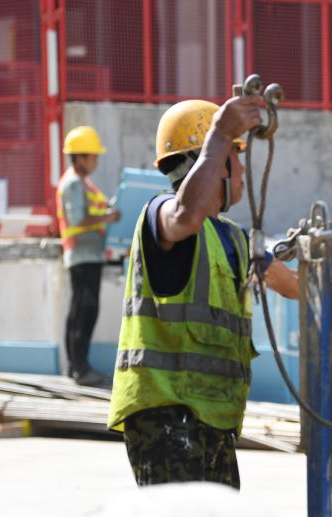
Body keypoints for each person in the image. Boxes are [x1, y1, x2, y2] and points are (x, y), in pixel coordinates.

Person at [106, 96, 299, 489]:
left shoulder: (234, 240)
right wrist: (222, 132)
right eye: (236, 155)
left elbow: (298, 287)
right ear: (209, 161)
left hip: (215, 419)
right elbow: (185, 215)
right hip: (165, 415)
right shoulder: (160, 214)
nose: (242, 169)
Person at [56, 126, 121, 386]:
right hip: (82, 254)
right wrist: (108, 217)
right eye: (92, 156)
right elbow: (77, 217)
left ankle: (77, 366)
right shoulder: (73, 183)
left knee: (82, 310)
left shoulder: (83, 183)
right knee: (84, 310)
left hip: (89, 254)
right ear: (80, 157)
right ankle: (80, 368)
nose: (95, 161)